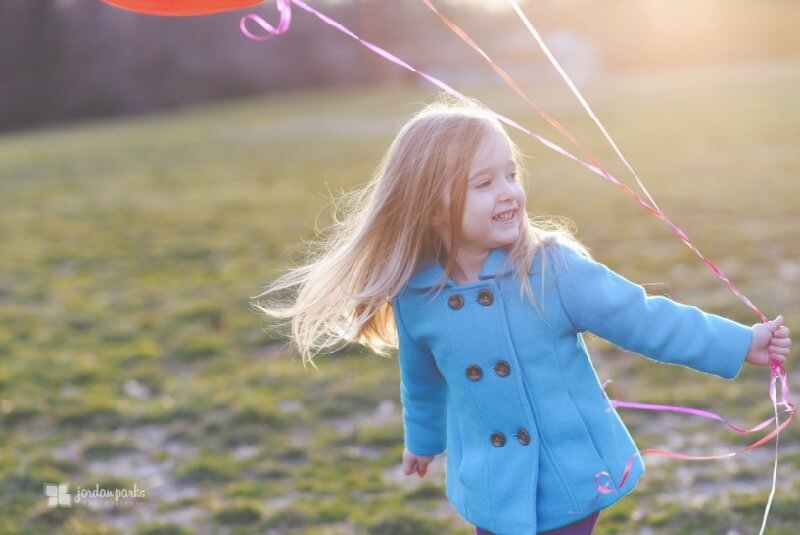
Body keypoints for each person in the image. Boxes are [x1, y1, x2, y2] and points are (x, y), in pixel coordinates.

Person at [250, 93, 791, 535]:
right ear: (433, 208)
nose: (509, 192)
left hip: (570, 471)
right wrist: (422, 441)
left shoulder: (551, 270)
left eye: (510, 174)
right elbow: (419, 378)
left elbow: (643, 318)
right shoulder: (416, 296)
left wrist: (738, 343)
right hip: (491, 479)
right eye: (484, 184)